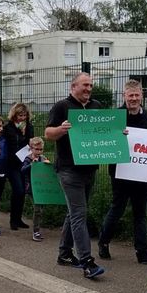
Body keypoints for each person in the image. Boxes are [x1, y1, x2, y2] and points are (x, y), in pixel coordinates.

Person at [44, 72, 105, 279]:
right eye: (85, 85)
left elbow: (103, 131)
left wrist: (116, 133)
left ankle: (64, 253)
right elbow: (48, 134)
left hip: (89, 168)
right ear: (73, 87)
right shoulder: (62, 106)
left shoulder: (96, 106)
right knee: (79, 214)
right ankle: (87, 262)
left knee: (74, 213)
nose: (88, 89)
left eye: (90, 85)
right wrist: (61, 129)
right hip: (69, 169)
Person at [98, 80, 147, 266]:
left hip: (143, 173)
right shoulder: (116, 117)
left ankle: (142, 253)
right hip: (120, 172)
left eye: (136, 95)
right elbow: (106, 142)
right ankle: (103, 242)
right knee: (117, 208)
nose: (133, 99)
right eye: (130, 95)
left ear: (142, 95)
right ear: (124, 96)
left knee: (140, 213)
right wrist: (118, 136)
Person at [3, 103, 34, 230]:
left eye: (24, 115)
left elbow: (30, 142)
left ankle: (18, 218)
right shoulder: (8, 127)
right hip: (12, 164)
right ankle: (13, 220)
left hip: (24, 163)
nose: (22, 118)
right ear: (14, 115)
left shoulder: (29, 127)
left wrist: (25, 133)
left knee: (22, 192)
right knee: (18, 190)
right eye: (20, 115)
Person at [21, 137, 49, 242]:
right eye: (36, 149)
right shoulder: (28, 159)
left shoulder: (43, 158)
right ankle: (36, 231)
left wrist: (47, 164)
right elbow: (23, 170)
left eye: (40, 149)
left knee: (41, 209)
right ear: (31, 149)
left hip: (41, 188)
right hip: (31, 188)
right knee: (37, 209)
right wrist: (31, 164)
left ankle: (38, 228)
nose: (39, 152)